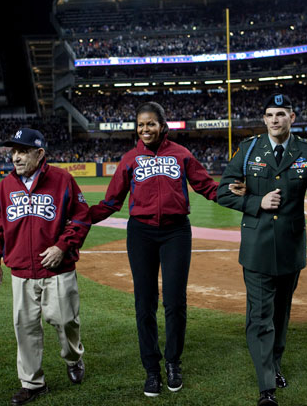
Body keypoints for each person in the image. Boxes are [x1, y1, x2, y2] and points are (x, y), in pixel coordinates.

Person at [89, 102, 224, 397]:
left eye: (150, 124)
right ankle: (152, 369)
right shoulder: (130, 158)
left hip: (176, 231)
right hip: (141, 233)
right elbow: (111, 202)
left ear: (163, 126)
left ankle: (173, 362)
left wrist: (235, 195)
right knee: (144, 302)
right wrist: (81, 215)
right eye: (140, 125)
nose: (145, 129)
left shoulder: (181, 155)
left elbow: (207, 187)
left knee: (175, 302)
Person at [217, 94, 307, 406]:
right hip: (257, 248)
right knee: (260, 317)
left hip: (292, 247)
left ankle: (275, 363)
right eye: (269, 114)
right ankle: (266, 386)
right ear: (264, 119)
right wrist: (257, 202)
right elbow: (223, 191)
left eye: (281, 114)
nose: (275, 120)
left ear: (292, 117)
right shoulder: (249, 149)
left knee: (281, 314)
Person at [0, 128, 90, 406]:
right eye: (13, 151)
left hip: (58, 268)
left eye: (22, 151)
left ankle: (73, 358)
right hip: (20, 270)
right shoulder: (5, 186)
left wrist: (62, 246)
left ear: (39, 153)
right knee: (25, 328)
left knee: (65, 321)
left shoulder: (63, 180)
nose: (16, 157)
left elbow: (81, 219)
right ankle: (32, 383)